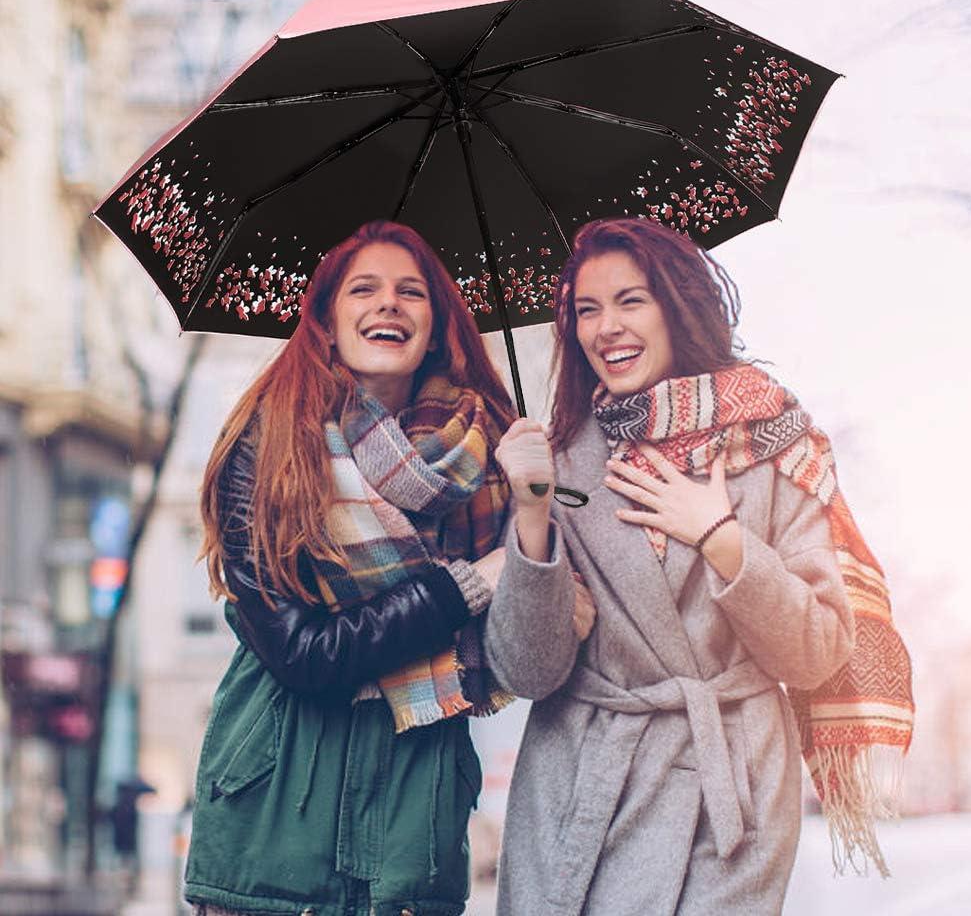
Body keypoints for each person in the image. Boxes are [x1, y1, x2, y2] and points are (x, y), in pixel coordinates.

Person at [486, 217, 913, 915]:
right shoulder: (555, 459)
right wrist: (531, 516)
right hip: (581, 790)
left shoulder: (776, 443)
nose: (606, 328)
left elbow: (816, 654)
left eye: (631, 300)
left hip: (730, 790)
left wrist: (722, 538)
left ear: (677, 306)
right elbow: (528, 672)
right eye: (586, 310)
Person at [183, 220, 517, 916]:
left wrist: (538, 503)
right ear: (328, 322)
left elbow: (526, 652)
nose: (388, 304)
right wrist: (470, 584)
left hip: (412, 809)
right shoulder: (268, 444)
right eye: (364, 289)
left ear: (438, 323)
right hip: (278, 818)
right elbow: (305, 655)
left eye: (411, 292)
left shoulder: (490, 455)